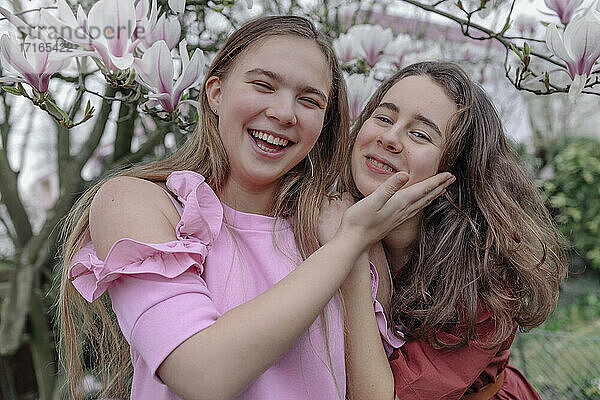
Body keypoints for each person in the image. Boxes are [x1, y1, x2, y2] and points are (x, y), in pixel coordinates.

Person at [58, 17, 455, 400]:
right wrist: (349, 243)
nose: (284, 113)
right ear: (215, 92)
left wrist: (351, 245)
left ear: (324, 122)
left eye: (309, 101)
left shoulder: (339, 227)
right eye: (263, 85)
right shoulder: (139, 203)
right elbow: (200, 374)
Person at [327, 61, 567, 399]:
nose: (389, 138)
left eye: (420, 134)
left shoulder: (482, 277)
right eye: (383, 117)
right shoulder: (320, 211)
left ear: (457, 167)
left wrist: (350, 249)